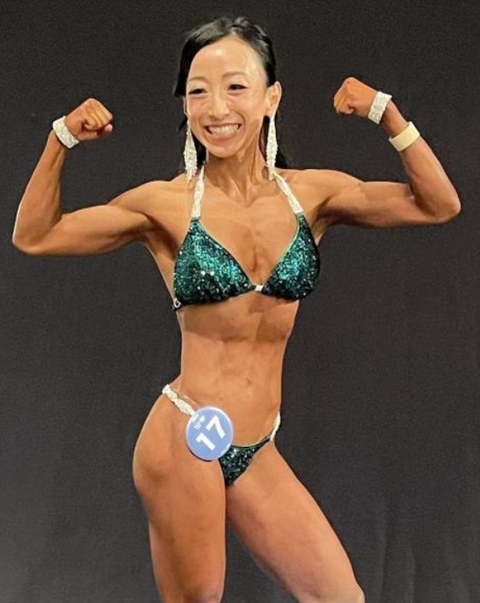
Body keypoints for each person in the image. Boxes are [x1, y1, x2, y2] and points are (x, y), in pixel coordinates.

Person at [12, 15, 460, 603]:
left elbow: (437, 204)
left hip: (253, 444)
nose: (216, 108)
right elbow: (35, 235)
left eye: (236, 87)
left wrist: (386, 113)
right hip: (188, 433)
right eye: (198, 91)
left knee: (340, 596)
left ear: (271, 97)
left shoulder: (311, 196)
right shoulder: (166, 205)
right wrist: (60, 140)